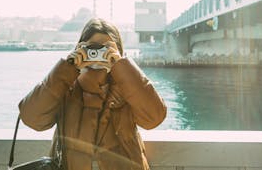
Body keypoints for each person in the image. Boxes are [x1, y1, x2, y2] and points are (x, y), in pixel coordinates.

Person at [18, 17, 167, 170]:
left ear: (118, 50)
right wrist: (67, 67)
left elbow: (154, 118)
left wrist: (122, 67)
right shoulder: (65, 86)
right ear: (79, 48)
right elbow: (32, 118)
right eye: (92, 48)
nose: (97, 54)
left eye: (105, 49)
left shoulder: (128, 87)